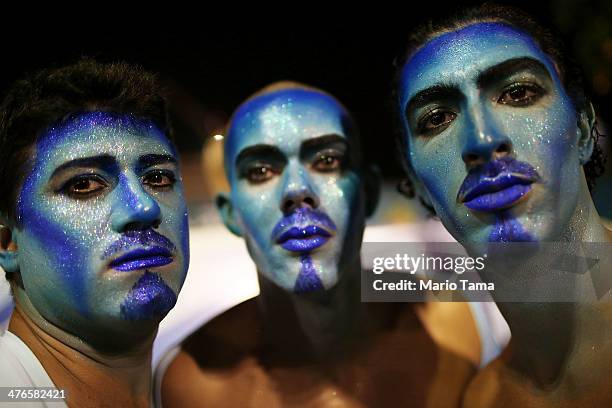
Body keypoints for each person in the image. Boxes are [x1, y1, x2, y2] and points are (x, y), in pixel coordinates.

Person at [159, 81, 480, 407]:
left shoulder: (448, 324)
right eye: (261, 170)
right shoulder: (197, 386)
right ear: (231, 214)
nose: (297, 190)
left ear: (367, 194)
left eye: (327, 161)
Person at [395, 4, 612, 406]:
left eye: (518, 93)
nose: (480, 139)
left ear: (583, 130)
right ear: (418, 185)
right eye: (437, 118)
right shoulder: (480, 399)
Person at [0, 59, 190, 407]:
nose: (144, 208)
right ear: (7, 241)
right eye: (84, 184)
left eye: (158, 177)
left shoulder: (183, 390)